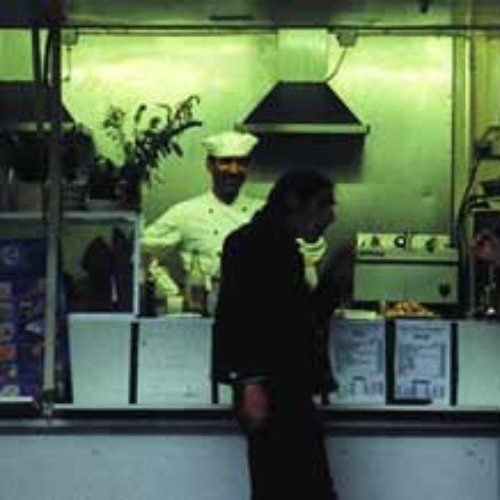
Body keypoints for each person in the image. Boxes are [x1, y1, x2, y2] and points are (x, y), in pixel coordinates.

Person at [212, 168, 340, 500]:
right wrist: (250, 383)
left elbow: (292, 318)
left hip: (282, 389)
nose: (330, 216)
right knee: (299, 486)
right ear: (294, 202)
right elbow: (237, 318)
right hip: (276, 391)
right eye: (323, 205)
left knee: (284, 485)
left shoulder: (273, 246)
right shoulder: (252, 245)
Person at [142, 130, 262, 304]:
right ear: (210, 165)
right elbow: (143, 251)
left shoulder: (263, 211)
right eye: (225, 162)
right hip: (203, 307)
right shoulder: (186, 212)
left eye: (241, 163)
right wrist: (171, 292)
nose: (233, 170)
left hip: (256, 306)